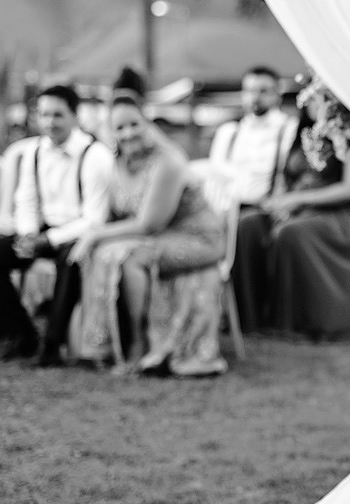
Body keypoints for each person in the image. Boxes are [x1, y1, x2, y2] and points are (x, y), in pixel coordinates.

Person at [70, 95, 227, 377]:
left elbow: (148, 224)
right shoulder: (118, 162)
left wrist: (94, 235)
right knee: (107, 254)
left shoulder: (167, 162)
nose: (128, 133)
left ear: (148, 123)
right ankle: (99, 344)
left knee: (132, 258)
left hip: (201, 238)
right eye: (119, 127)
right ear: (111, 132)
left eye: (134, 124)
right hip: (163, 237)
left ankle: (139, 345)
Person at [260, 75, 350, 342]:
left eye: (324, 99)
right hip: (303, 207)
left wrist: (298, 201)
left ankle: (306, 321)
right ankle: (256, 314)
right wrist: (282, 199)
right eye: (313, 99)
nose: (317, 106)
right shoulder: (302, 134)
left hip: (342, 217)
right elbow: (287, 176)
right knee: (252, 226)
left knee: (292, 234)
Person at [0, 85, 112, 365]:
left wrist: (48, 240)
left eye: (58, 115)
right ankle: (22, 333)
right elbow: (25, 199)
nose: (50, 122)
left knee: (71, 259)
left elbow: (94, 218)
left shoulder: (95, 155)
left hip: (80, 234)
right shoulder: (34, 151)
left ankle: (53, 344)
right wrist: (27, 234)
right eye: (45, 114)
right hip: (41, 231)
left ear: (75, 116)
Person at [208, 65, 298, 332]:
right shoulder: (230, 132)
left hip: (265, 207)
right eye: (249, 91)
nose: (255, 98)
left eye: (263, 91)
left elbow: (287, 172)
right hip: (227, 206)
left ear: (276, 95)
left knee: (244, 228)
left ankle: (247, 317)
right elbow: (216, 173)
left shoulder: (288, 129)